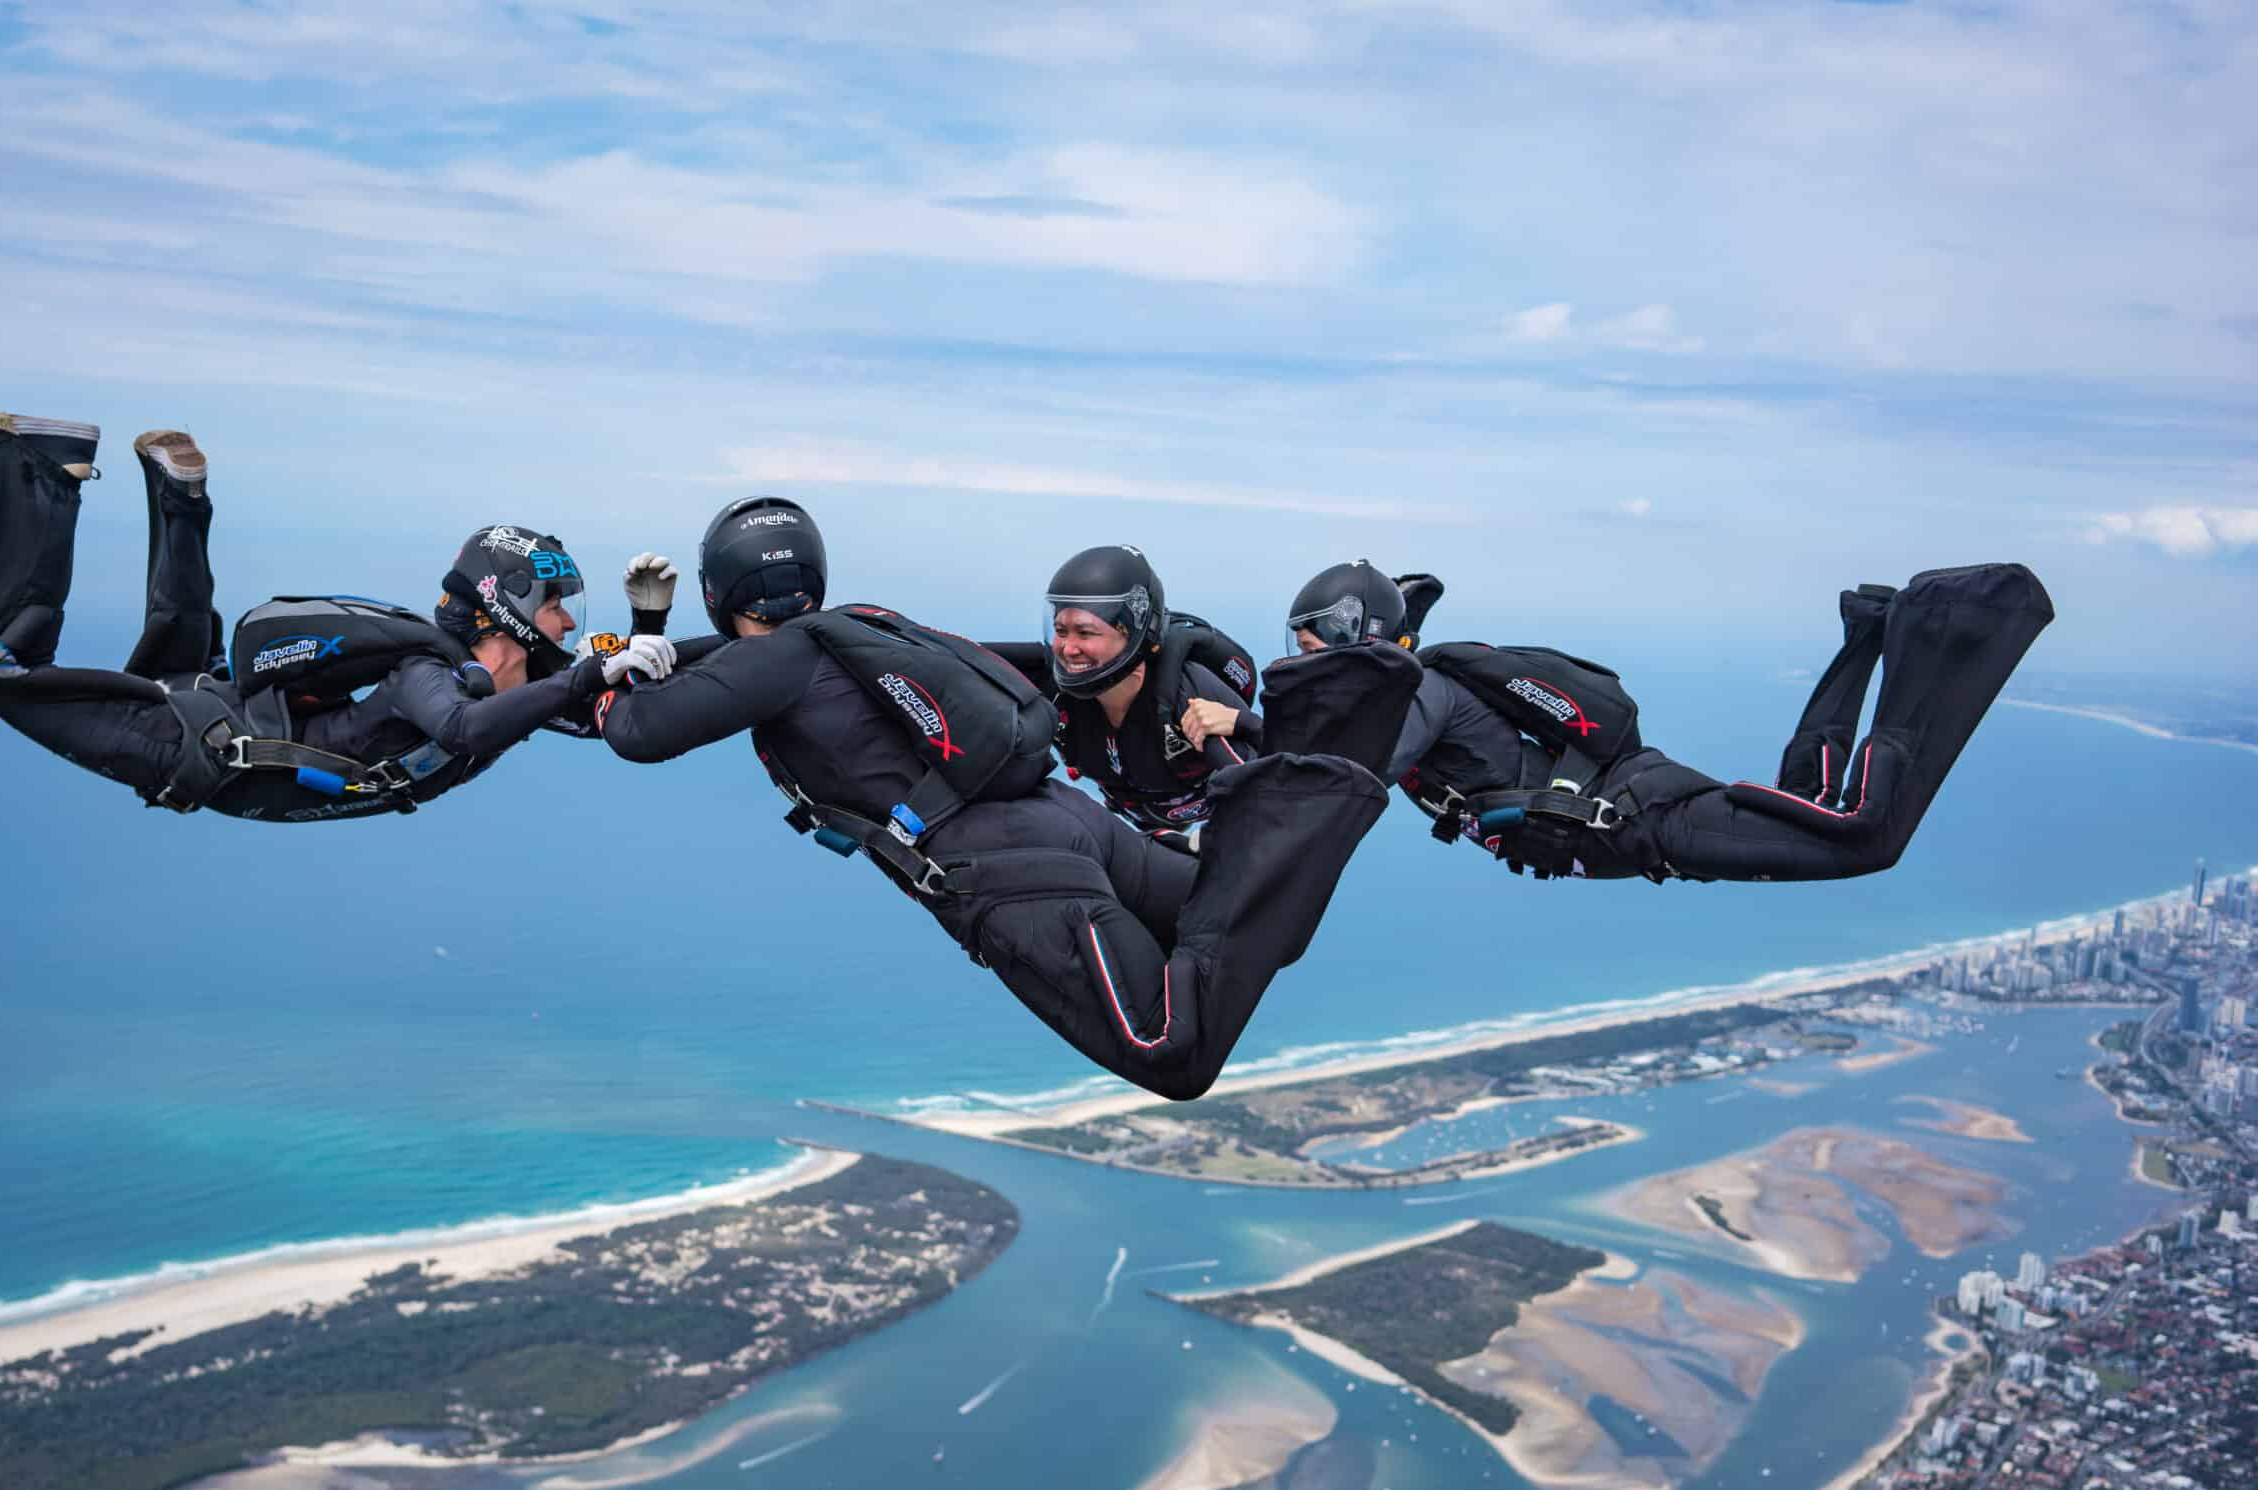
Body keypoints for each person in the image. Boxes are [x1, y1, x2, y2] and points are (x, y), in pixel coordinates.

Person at [590, 496, 1422, 1100]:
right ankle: (1287, 827)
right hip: (1067, 818)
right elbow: (718, 670)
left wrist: (612, 665)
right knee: (1251, 923)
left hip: (1006, 872)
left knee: (1171, 1047)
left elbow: (637, 729)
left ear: (716, 592)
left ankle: (1294, 821)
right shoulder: (860, 628)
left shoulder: (770, 660)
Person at [0, 412, 679, 822]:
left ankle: (181, 491)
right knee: (2, 674)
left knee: (176, 642)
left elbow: (604, 714)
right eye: (553, 606)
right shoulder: (430, 676)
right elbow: (465, 730)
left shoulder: (519, 693)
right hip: (194, 751)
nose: (565, 623)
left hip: (217, 728)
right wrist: (595, 668)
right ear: (503, 613)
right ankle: (42, 472)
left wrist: (651, 628)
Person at [1254, 558, 2053, 883]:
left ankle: (1946, 629)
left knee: (1867, 838)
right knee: (1810, 802)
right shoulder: (1407, 696)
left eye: (1309, 646)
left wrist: (1245, 804)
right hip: (1642, 825)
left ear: (1355, 642)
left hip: (1653, 817)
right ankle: (1867, 630)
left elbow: (1349, 780)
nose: (1299, 662)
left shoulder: (1419, 695)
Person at [982, 548, 1265, 844]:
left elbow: (1267, 792)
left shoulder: (1185, 693)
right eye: (1060, 631)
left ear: (1131, 633)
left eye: (1086, 632)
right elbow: (953, 658)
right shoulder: (1051, 684)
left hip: (1209, 829)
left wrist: (1246, 724)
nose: (1068, 648)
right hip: (1132, 827)